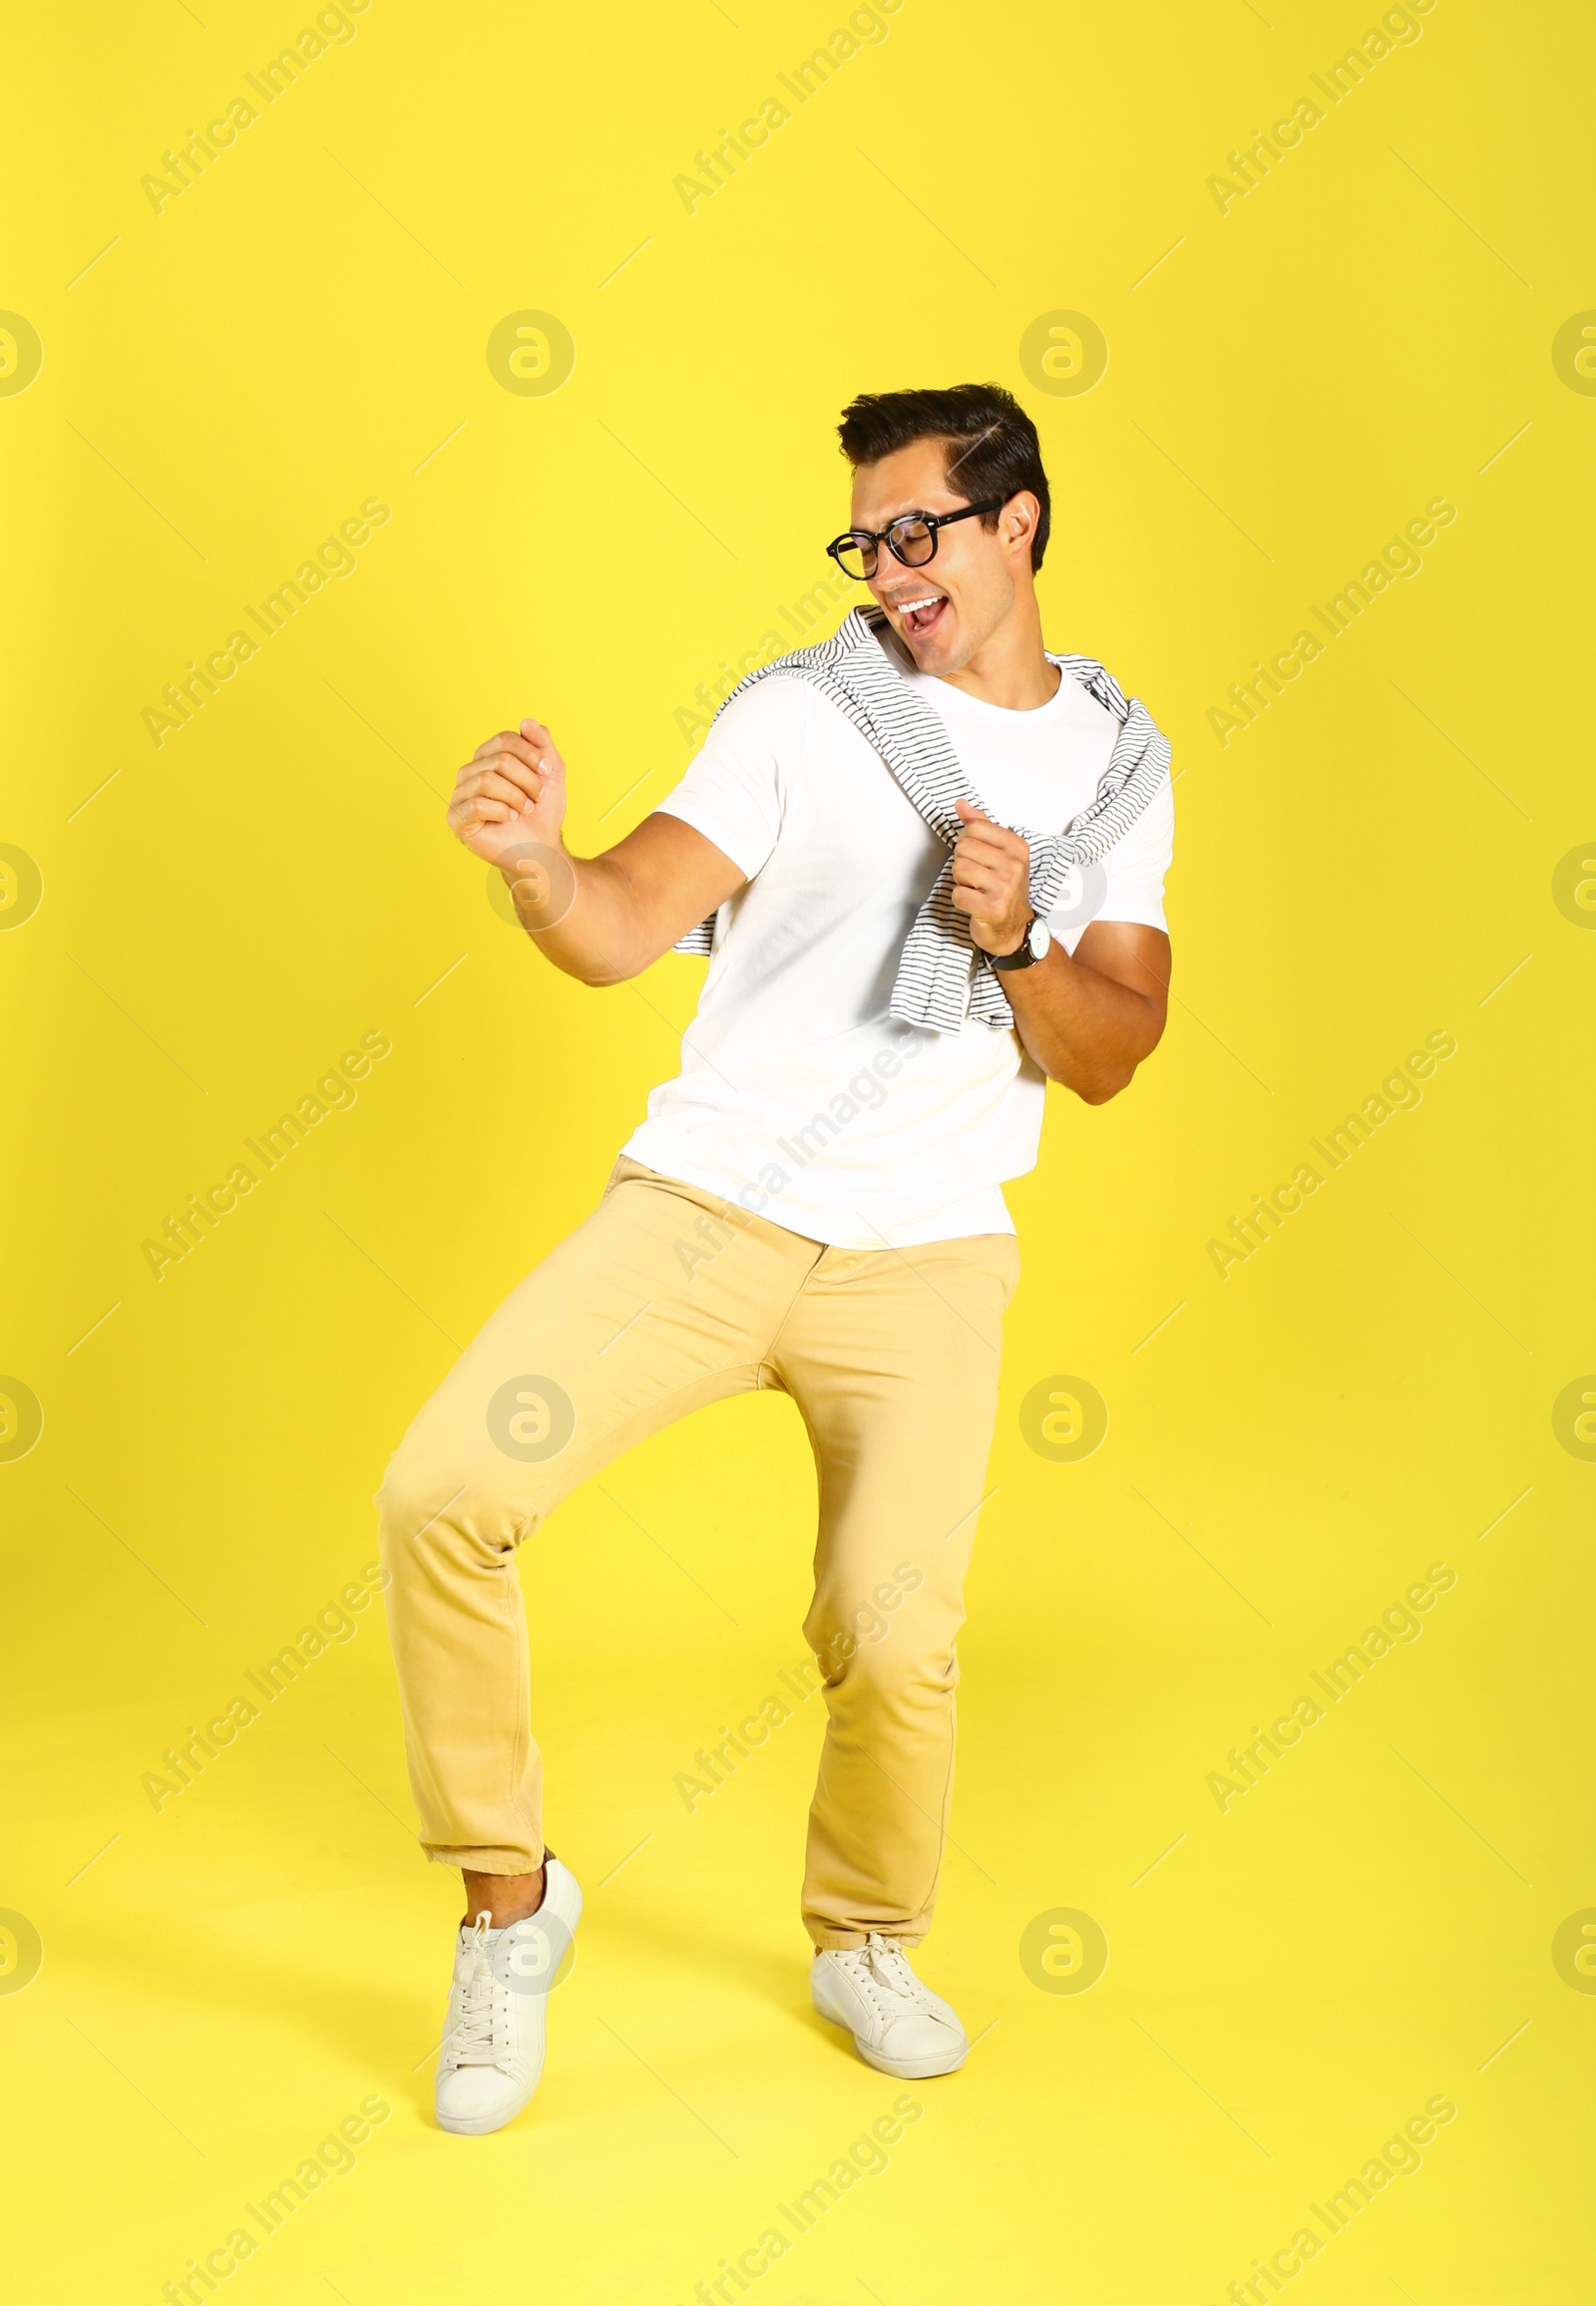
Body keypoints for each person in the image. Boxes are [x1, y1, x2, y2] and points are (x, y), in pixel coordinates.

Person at [375, 381, 1175, 2135]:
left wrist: (1021, 928)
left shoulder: (1121, 762)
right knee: (440, 1492)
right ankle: (508, 1910)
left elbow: (1113, 1047)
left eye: (919, 531)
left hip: (926, 1259)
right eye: (865, 539)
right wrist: (534, 871)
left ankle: (866, 1938)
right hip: (706, 1214)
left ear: (1016, 522)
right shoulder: (799, 719)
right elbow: (622, 923)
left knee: (894, 1637)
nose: (889, 570)